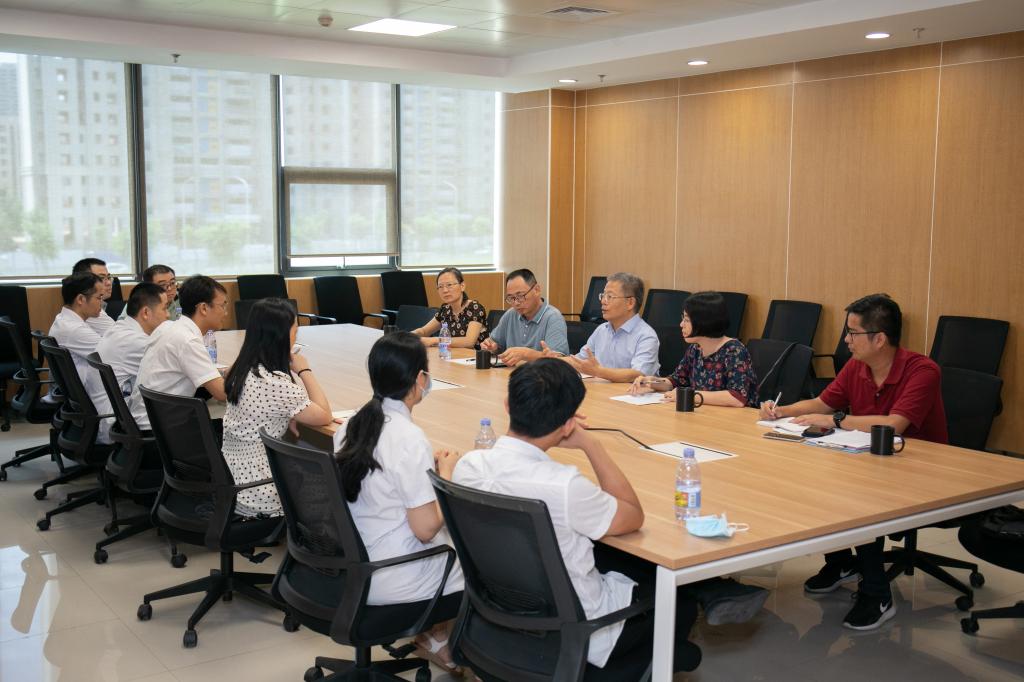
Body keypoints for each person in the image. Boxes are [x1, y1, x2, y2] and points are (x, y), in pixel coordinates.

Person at [452, 358, 701, 672]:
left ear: (506, 405)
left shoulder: (469, 465)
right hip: (580, 634)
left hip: (500, 618)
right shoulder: (564, 486)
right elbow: (632, 516)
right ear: (568, 423)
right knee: (682, 600)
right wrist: (591, 444)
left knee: (611, 557)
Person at [759, 293, 947, 631]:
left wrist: (837, 420)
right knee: (811, 480)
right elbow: (822, 402)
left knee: (861, 498)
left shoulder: (922, 370)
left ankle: (877, 595)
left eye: (852, 333)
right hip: (869, 459)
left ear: (879, 339)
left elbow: (894, 425)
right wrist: (781, 411)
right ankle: (842, 562)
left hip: (922, 469)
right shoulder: (857, 366)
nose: (846, 340)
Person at [332, 332, 465, 671]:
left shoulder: (351, 425)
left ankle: (434, 638)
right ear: (420, 379)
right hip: (391, 577)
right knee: (476, 555)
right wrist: (446, 475)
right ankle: (463, 649)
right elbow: (425, 529)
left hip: (350, 566)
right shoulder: (408, 438)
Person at [222, 298, 333, 517]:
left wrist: (288, 414)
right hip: (260, 492)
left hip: (233, 480)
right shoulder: (273, 382)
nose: (296, 337)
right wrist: (304, 370)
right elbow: (324, 415)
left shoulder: (241, 368)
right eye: (295, 331)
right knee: (335, 481)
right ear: (280, 336)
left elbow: (266, 407)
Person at [128, 275, 229, 431]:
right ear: (203, 308)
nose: (226, 313)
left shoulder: (168, 327)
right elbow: (222, 394)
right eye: (223, 306)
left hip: (146, 420)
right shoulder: (187, 340)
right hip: (160, 432)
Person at [630, 291, 758, 407]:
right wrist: (651, 382)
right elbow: (676, 381)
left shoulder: (734, 351)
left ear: (704, 322)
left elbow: (736, 398)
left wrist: (689, 395)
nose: (681, 324)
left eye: (687, 320)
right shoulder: (695, 349)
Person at [90, 283, 169, 443]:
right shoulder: (135, 341)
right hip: (117, 423)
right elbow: (173, 369)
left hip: (107, 414)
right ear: (146, 312)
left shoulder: (121, 327)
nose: (168, 315)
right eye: (165, 308)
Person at [546, 272, 659, 382]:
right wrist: (554, 360)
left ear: (630, 303)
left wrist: (598, 371)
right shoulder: (602, 330)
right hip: (603, 390)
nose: (603, 301)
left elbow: (637, 374)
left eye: (610, 296)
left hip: (632, 393)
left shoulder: (646, 336)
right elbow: (580, 361)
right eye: (603, 295)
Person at [480, 268, 569, 365]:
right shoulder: (511, 314)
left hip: (540, 373)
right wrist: (491, 347)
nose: (516, 303)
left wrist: (525, 354)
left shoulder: (553, 317)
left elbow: (559, 361)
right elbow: (495, 343)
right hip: (512, 371)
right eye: (511, 298)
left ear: (537, 290)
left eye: (520, 296)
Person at [412, 267, 489, 349]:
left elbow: (469, 342)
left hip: (475, 356)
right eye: (440, 286)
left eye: (449, 285)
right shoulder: (445, 310)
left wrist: (434, 340)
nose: (445, 290)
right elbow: (424, 331)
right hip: (453, 355)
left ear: (462, 286)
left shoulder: (475, 308)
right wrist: (407, 336)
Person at [48, 271, 104, 382]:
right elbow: (113, 353)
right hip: (88, 389)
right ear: (80, 299)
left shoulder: (62, 319)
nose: (102, 303)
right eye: (99, 297)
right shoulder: (75, 330)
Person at [72, 257, 116, 336]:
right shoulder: (90, 311)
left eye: (109, 277)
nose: (109, 283)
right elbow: (120, 336)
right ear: (83, 281)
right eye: (101, 278)